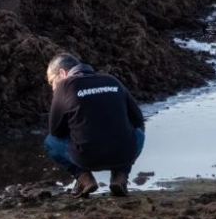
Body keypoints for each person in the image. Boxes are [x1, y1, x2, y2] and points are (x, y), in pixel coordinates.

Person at [43, 52, 145, 197]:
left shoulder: (64, 86)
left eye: (52, 81)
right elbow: (138, 119)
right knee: (139, 131)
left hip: (86, 158)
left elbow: (55, 131)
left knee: (50, 141)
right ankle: (120, 175)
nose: (53, 88)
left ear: (62, 73)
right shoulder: (112, 80)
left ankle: (83, 178)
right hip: (124, 154)